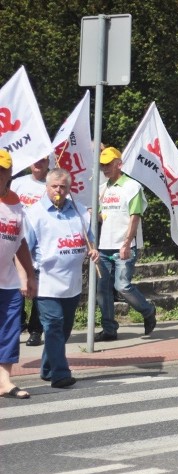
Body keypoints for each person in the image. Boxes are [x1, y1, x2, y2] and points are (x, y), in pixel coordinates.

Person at [24, 168, 98, 388]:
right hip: (45, 281)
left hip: (72, 284)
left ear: (69, 189)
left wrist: (93, 250)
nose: (58, 190)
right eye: (54, 186)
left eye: (63, 186)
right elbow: (24, 249)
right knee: (54, 325)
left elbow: (90, 242)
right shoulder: (34, 213)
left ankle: (47, 368)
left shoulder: (80, 211)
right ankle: (60, 374)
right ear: (46, 187)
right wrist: (26, 276)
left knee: (64, 329)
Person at [94, 147, 157, 341]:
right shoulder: (102, 188)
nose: (105, 168)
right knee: (102, 290)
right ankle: (109, 329)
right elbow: (100, 217)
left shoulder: (132, 186)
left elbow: (135, 216)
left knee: (122, 285)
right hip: (104, 246)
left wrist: (127, 243)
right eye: (102, 165)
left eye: (108, 164)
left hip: (124, 245)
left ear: (118, 164)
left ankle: (148, 311)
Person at [0, 150, 37, 400]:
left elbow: (20, 241)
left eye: (3, 169)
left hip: (9, 280)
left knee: (10, 330)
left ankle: (4, 381)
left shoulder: (15, 201)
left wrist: (29, 275)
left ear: (10, 172)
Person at [10, 157, 48, 347]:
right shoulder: (18, 183)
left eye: (42, 161)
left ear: (49, 162)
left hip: (40, 244)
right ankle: (18, 323)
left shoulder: (51, 186)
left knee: (38, 290)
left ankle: (35, 330)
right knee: (15, 287)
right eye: (34, 161)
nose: (38, 164)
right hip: (14, 242)